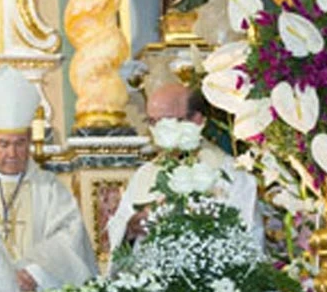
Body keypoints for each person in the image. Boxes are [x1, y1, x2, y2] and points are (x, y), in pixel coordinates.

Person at [0, 67, 98, 292]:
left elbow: (70, 235)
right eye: (3, 144)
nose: (12, 153)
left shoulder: (48, 187)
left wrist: (36, 273)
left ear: (30, 140)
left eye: (19, 143)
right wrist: (0, 277)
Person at [107, 82, 263, 251]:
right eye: (152, 121)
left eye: (166, 120)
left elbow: (249, 237)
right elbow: (120, 228)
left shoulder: (232, 173)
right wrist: (130, 228)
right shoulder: (144, 174)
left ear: (195, 120)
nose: (158, 129)